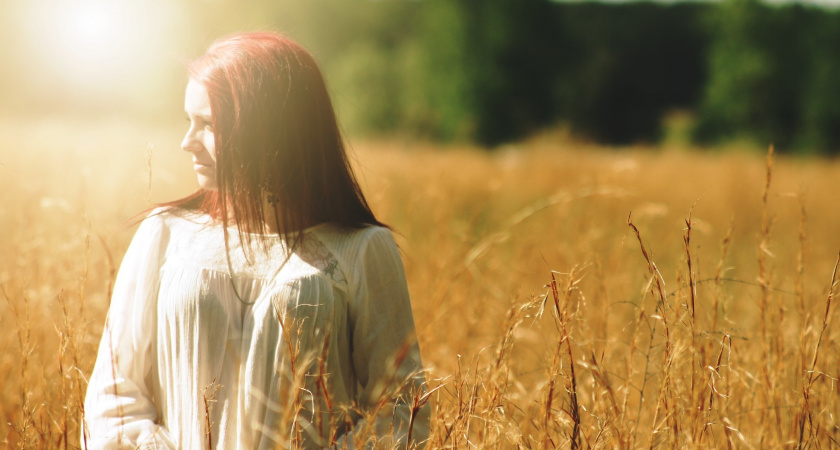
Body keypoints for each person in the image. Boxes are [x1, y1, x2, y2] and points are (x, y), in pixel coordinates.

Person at [82, 32, 430, 449]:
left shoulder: (361, 250)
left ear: (270, 131)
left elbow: (403, 413)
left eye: (208, 124)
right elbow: (112, 401)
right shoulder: (164, 234)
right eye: (189, 121)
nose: (186, 142)